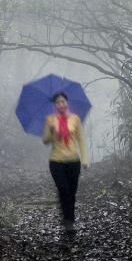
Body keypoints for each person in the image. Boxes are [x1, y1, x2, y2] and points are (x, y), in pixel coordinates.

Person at [42, 91, 89, 232]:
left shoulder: (75, 119)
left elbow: (81, 140)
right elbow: (45, 140)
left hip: (73, 161)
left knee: (72, 192)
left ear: (67, 103)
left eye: (63, 101)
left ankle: (70, 219)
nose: (61, 104)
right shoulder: (51, 119)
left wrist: (85, 159)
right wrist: (50, 130)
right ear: (55, 105)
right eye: (58, 102)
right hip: (56, 161)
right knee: (63, 190)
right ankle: (67, 220)